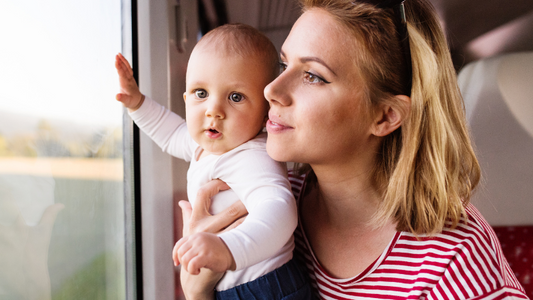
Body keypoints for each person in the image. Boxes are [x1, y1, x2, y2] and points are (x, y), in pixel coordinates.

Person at [179, 0, 530, 299]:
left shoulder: (454, 259)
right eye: (285, 65)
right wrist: (198, 292)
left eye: (313, 76)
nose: (272, 89)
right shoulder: (255, 208)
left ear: (385, 115)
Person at [114, 24, 312, 299]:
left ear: (266, 111)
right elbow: (171, 133)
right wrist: (137, 103)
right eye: (201, 93)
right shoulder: (204, 145)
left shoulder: (252, 156)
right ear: (186, 99)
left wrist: (229, 248)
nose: (213, 111)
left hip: (265, 287)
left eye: (235, 97)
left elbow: (280, 210)